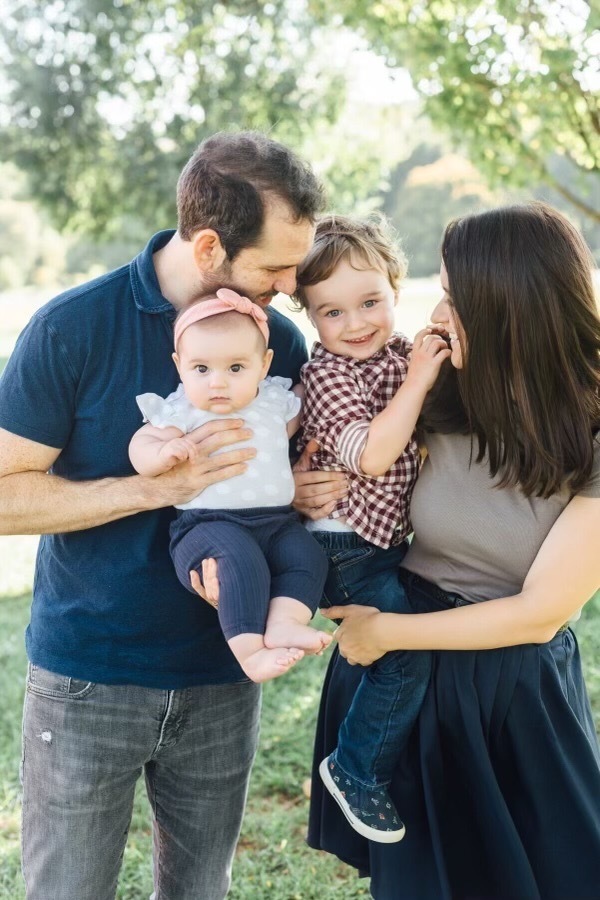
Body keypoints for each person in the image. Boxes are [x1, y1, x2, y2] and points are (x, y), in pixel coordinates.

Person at [0, 130, 332, 900]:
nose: (292, 284)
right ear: (211, 245)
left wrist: (310, 488)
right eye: (275, 267)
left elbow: (285, 470)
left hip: (222, 677)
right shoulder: (73, 328)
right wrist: (148, 489)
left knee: (199, 891)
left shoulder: (274, 340)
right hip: (90, 679)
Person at [307, 202, 600, 900]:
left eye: (453, 296)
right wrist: (302, 484)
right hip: (407, 684)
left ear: (507, 308)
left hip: (507, 687)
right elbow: (344, 444)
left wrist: (385, 635)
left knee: (550, 873)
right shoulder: (438, 390)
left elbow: (541, 613)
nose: (436, 314)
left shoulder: (590, 427)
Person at [291, 215, 449, 842]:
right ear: (310, 316)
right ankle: (355, 768)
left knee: (401, 643)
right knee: (402, 650)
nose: (355, 324)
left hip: (382, 542)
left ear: (395, 286)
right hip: (343, 544)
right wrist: (418, 381)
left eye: (370, 302)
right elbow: (374, 456)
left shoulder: (400, 354)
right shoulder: (325, 377)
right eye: (332, 312)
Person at [129, 287, 330, 683]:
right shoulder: (182, 409)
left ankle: (286, 621)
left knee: (307, 554)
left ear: (264, 364)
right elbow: (141, 445)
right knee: (238, 558)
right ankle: (250, 653)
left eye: (235, 368)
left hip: (277, 522)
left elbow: (305, 407)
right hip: (206, 526)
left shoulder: (274, 401)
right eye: (201, 369)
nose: (217, 383)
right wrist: (165, 452)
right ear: (180, 365)